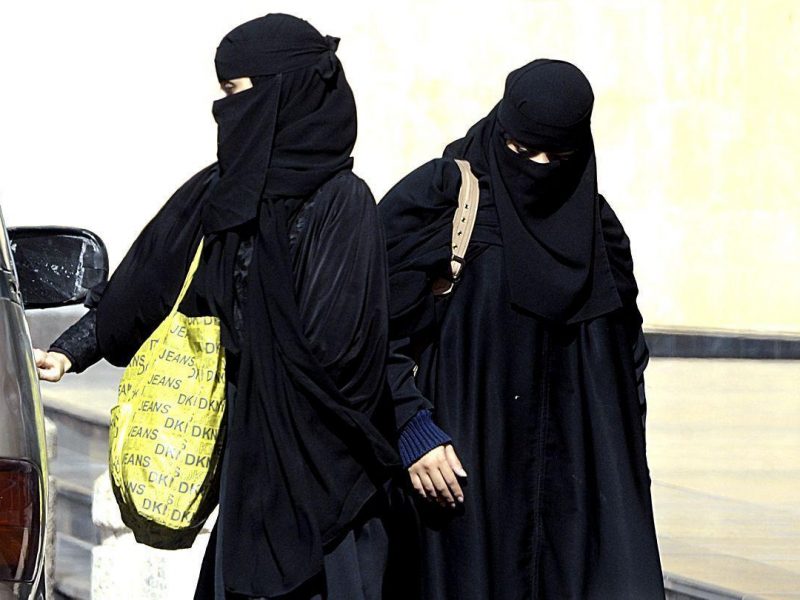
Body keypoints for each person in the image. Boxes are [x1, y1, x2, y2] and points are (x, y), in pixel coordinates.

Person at [35, 14, 398, 600]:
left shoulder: (342, 204)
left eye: (236, 94)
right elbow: (152, 280)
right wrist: (71, 352)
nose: (224, 111)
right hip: (249, 465)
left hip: (327, 483)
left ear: (285, 91)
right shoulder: (224, 190)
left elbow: (341, 357)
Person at [379, 59, 664, 599]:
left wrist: (622, 482)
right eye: (521, 149)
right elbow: (366, 327)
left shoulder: (599, 231)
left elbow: (628, 365)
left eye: (558, 156)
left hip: (579, 502)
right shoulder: (443, 202)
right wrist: (411, 427)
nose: (538, 166)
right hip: (460, 488)